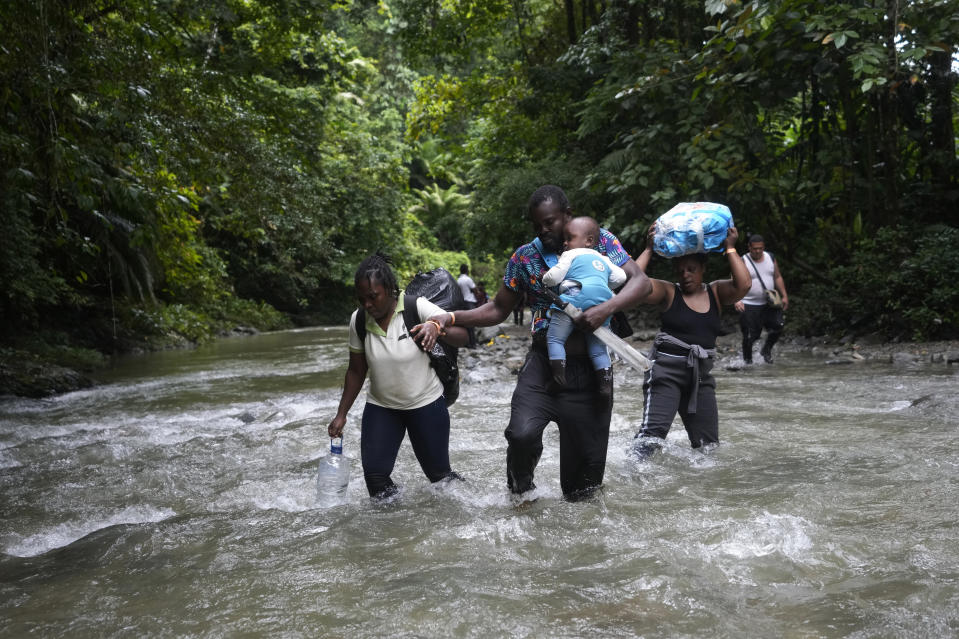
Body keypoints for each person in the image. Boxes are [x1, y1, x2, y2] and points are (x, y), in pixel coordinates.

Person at [423, 185, 650, 500]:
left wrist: (605, 309)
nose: (543, 230)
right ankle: (522, 493)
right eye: (537, 225)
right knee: (521, 435)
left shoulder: (598, 240)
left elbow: (641, 283)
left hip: (590, 371)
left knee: (582, 491)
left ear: (567, 215)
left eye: (550, 222)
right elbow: (498, 309)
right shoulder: (525, 257)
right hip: (544, 363)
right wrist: (451, 317)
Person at [327, 252, 469, 499]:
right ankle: (395, 529)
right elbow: (356, 370)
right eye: (362, 299)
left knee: (439, 476)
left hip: (425, 404)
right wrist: (341, 414)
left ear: (390, 289)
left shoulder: (416, 306)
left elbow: (464, 335)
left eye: (373, 297)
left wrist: (437, 329)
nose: (368, 305)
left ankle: (470, 502)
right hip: (382, 407)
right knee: (376, 478)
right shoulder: (359, 320)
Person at [632, 223, 750, 457]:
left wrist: (730, 248)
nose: (685, 275)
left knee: (709, 447)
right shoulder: (668, 292)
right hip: (665, 373)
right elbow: (633, 285)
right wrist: (648, 248)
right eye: (680, 270)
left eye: (691, 269)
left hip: (700, 377)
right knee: (651, 437)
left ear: (703, 269)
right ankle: (632, 474)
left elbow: (744, 284)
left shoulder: (716, 292)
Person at [542, 216, 627, 405]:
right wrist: (603, 283)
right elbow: (621, 277)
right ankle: (605, 386)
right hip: (603, 302)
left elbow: (554, 277)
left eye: (569, 238)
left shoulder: (570, 254)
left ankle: (558, 378)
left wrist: (545, 279)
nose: (565, 242)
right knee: (597, 348)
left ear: (588, 241)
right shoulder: (602, 257)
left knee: (555, 339)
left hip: (575, 296)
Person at [734, 234, 788, 364]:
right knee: (750, 336)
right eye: (755, 249)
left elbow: (777, 277)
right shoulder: (742, 260)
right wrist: (736, 300)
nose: (758, 251)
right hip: (748, 303)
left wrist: (784, 295)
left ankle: (766, 350)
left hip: (769, 303)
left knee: (778, 327)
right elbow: (734, 281)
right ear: (749, 247)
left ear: (764, 247)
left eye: (760, 248)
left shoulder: (770, 257)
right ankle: (747, 362)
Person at [457, 264, 479, 348]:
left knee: (464, 323)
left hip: (463, 303)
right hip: (470, 302)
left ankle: (466, 343)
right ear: (467, 270)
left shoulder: (458, 280)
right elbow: (475, 290)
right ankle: (473, 343)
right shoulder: (468, 279)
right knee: (471, 323)